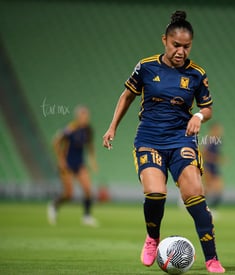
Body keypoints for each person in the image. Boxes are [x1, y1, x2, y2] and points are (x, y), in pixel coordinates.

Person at [102, 11, 225, 273]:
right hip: (149, 139)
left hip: (181, 139)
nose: (181, 51)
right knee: (156, 193)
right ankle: (152, 238)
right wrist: (112, 127)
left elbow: (208, 107)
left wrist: (199, 116)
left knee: (195, 195)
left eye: (186, 46)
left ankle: (212, 258)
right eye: (176, 45)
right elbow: (127, 96)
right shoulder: (146, 67)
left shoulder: (196, 74)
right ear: (164, 41)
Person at [48, 105, 98, 227]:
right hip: (67, 164)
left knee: (87, 189)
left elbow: (90, 146)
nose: (85, 118)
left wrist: (92, 160)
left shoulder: (88, 130)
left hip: (80, 163)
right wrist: (60, 160)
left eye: (86, 116)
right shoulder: (70, 129)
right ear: (78, 117)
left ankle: (87, 216)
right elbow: (56, 142)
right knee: (69, 194)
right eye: (83, 116)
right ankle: (54, 205)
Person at [202, 122, 224, 212]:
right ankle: (194, 203)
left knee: (218, 187)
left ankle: (212, 209)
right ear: (213, 129)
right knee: (208, 188)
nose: (220, 131)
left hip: (214, 167)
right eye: (218, 129)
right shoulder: (208, 140)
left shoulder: (217, 140)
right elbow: (204, 153)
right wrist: (217, 159)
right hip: (208, 166)